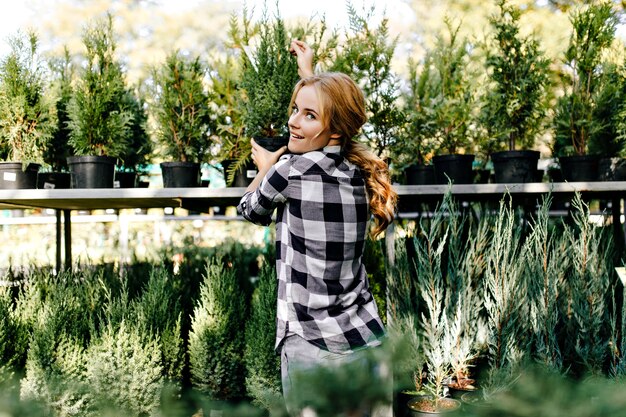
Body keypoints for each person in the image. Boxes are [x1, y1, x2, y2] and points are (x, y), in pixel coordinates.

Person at [237, 39, 398, 414]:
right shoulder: (360, 173)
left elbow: (250, 210)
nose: (293, 120)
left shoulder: (289, 171)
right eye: (296, 109)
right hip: (367, 344)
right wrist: (309, 74)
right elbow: (332, 126)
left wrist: (265, 168)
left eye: (308, 115)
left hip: (313, 346)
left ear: (335, 129)